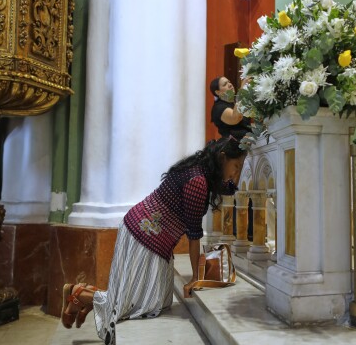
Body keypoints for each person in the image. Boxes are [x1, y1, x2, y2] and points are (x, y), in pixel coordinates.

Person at [60, 137, 247, 344]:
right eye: (236, 166)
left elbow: (228, 187)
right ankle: (81, 295)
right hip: (144, 235)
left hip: (153, 238)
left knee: (158, 302)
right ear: (222, 158)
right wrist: (195, 277)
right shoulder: (197, 181)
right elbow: (194, 235)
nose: (235, 173)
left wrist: (238, 171)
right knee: (141, 305)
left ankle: (83, 295)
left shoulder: (203, 171)